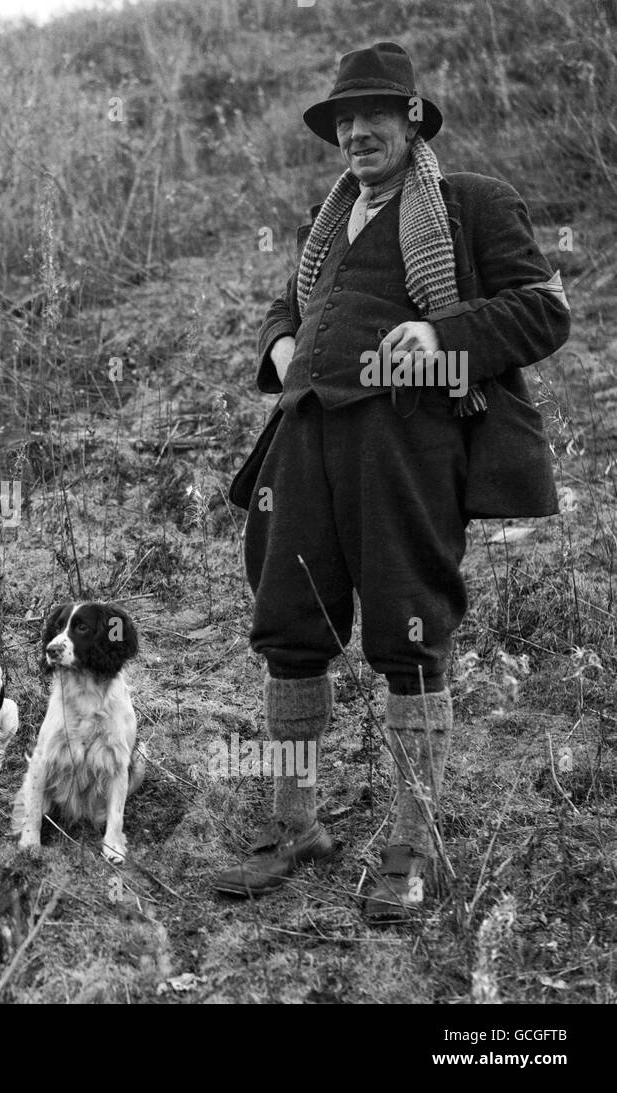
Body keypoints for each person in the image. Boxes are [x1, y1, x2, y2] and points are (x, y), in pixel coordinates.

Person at [220, 43, 570, 923]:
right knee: (290, 631)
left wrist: (444, 338)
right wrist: (280, 346)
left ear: (413, 119)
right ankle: (292, 823)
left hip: (407, 448)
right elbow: (288, 305)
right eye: (342, 122)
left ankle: (415, 844)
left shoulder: (472, 204)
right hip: (304, 442)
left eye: (373, 115)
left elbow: (544, 308)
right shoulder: (326, 219)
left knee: (409, 634)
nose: (354, 134)